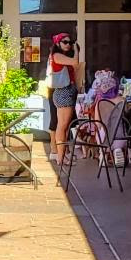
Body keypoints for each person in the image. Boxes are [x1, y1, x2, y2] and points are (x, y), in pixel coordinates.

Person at [48, 33, 80, 163]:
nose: (68, 44)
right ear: (57, 44)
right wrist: (77, 50)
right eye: (65, 42)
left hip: (65, 91)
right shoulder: (57, 55)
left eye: (70, 42)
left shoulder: (61, 56)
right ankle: (60, 157)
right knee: (62, 126)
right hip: (64, 92)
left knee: (64, 126)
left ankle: (62, 155)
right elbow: (75, 62)